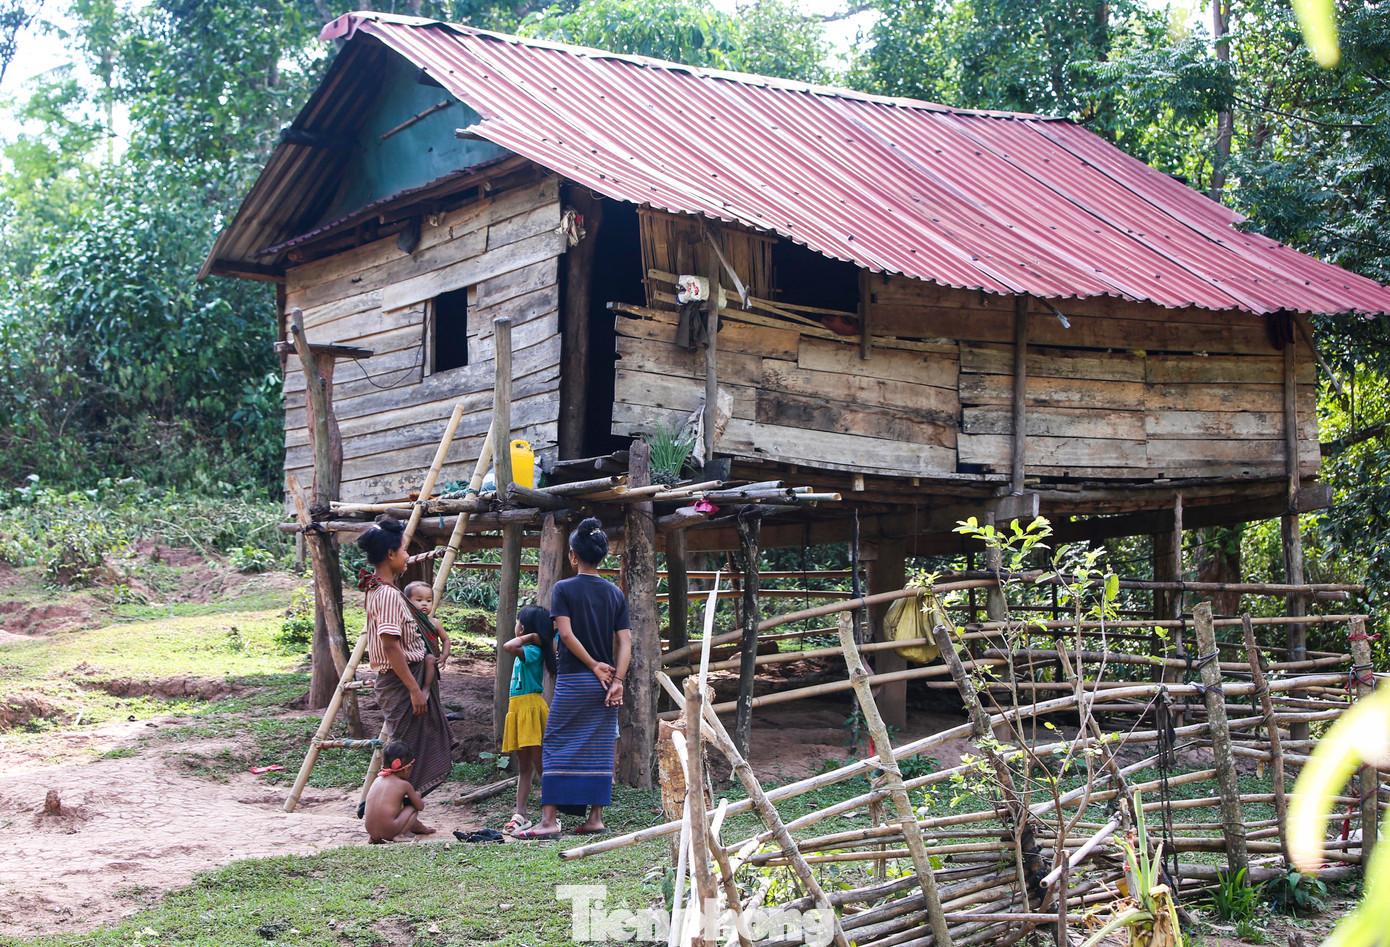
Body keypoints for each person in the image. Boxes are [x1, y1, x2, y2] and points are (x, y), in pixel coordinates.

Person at [521, 518, 631, 839]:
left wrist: (594, 664)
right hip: (606, 685)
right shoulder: (615, 593)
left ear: (573, 556)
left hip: (574, 679)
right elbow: (625, 641)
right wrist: (617, 679)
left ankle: (549, 821)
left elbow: (565, 635)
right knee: (599, 746)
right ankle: (594, 819)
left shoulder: (563, 588)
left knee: (555, 743)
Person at [356, 516, 454, 798]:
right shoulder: (387, 595)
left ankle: (407, 809)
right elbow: (390, 646)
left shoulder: (386, 590)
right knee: (404, 753)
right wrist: (414, 690)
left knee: (415, 749)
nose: (407, 555)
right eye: (404, 550)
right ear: (390, 554)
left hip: (408, 677)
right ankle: (392, 810)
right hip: (402, 682)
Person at [500, 603, 555, 835]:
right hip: (519, 709)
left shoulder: (533, 650)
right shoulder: (529, 648)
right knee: (524, 766)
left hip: (531, 709)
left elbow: (508, 646)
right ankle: (520, 814)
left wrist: (532, 636)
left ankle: (549, 816)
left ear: (522, 628)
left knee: (540, 766)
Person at [363, 740, 436, 842]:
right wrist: (417, 796)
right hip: (389, 831)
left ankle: (374, 838)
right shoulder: (404, 785)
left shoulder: (377, 780)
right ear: (407, 769)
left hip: (370, 829)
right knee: (411, 808)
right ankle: (400, 835)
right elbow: (420, 806)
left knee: (398, 809)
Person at [404, 581, 451, 693]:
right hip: (411, 658)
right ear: (408, 602)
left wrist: (444, 655)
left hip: (428, 656)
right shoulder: (407, 621)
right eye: (419, 600)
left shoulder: (434, 622)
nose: (424, 604)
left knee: (430, 659)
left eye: (428, 601)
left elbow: (446, 639)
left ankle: (426, 687)